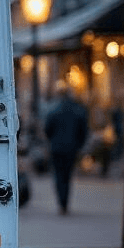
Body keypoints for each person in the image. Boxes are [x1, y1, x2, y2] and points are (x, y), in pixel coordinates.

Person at [44, 80, 89, 214]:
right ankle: (65, 202)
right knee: (68, 175)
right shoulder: (78, 110)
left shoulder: (53, 110)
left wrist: (51, 141)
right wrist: (79, 144)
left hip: (56, 148)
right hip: (71, 148)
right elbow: (83, 130)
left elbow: (47, 129)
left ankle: (61, 202)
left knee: (58, 175)